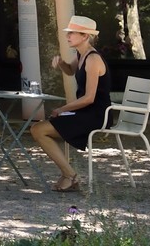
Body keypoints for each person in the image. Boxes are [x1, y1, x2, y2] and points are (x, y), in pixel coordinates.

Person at [28, 14, 110, 192]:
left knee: (39, 129)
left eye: (72, 33)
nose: (68, 36)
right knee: (38, 129)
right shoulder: (81, 54)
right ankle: (69, 175)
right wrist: (62, 64)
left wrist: (61, 109)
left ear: (85, 36)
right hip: (86, 111)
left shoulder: (93, 59)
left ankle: (70, 175)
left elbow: (89, 98)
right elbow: (71, 71)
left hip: (95, 114)